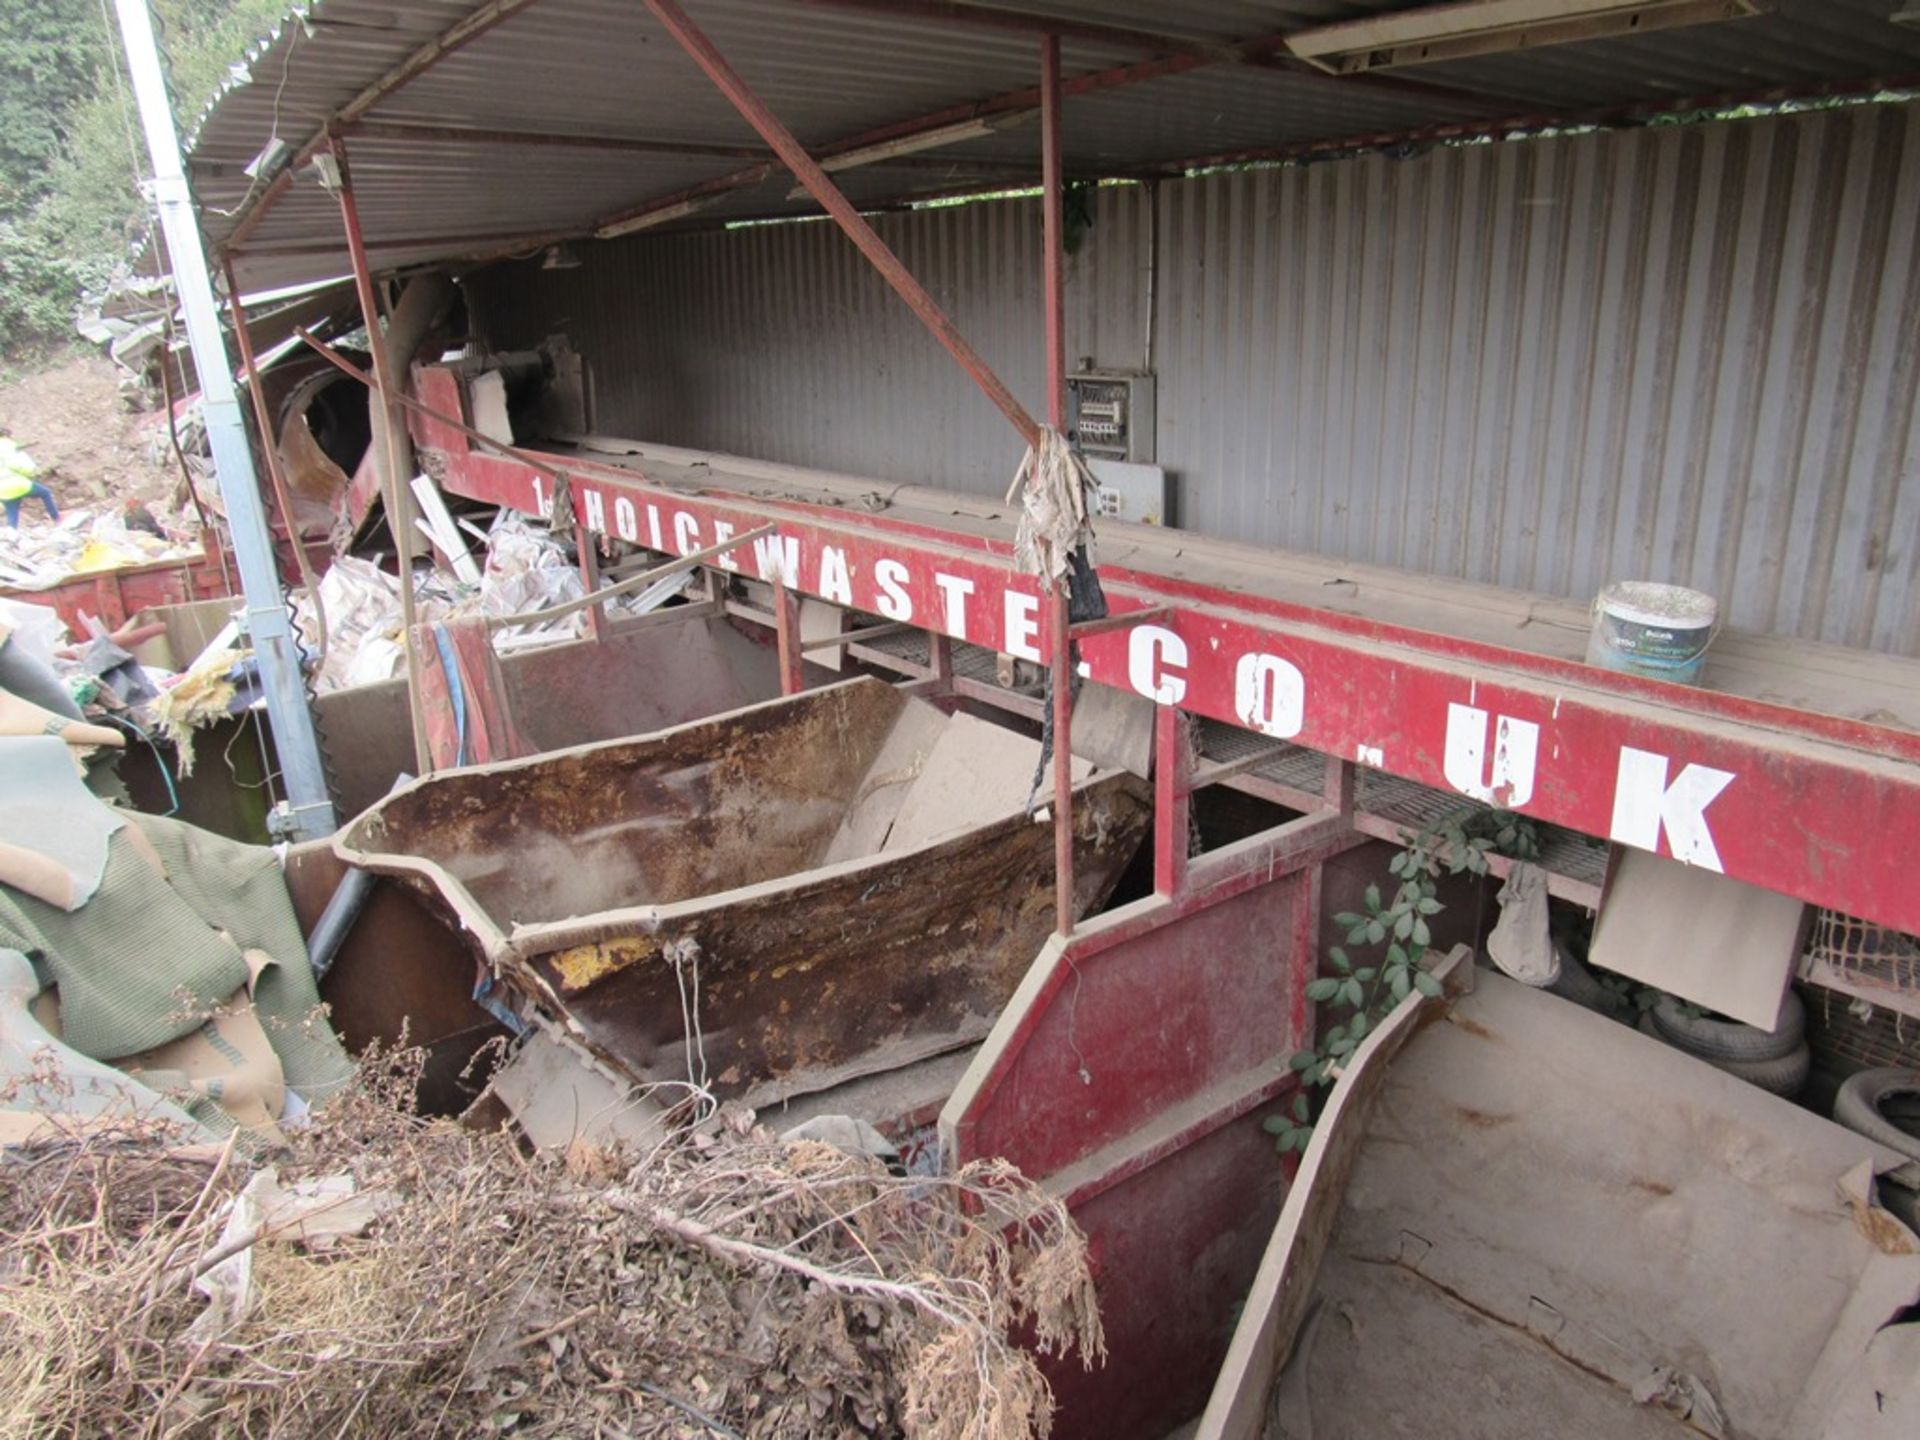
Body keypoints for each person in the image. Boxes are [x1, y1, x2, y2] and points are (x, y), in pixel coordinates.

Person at [0, 434, 59, 529]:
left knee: (12, 512)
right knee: (45, 493)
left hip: (3, 490)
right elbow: (17, 464)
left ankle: (11, 534)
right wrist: (30, 472)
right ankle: (56, 518)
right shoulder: (6, 445)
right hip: (17, 484)